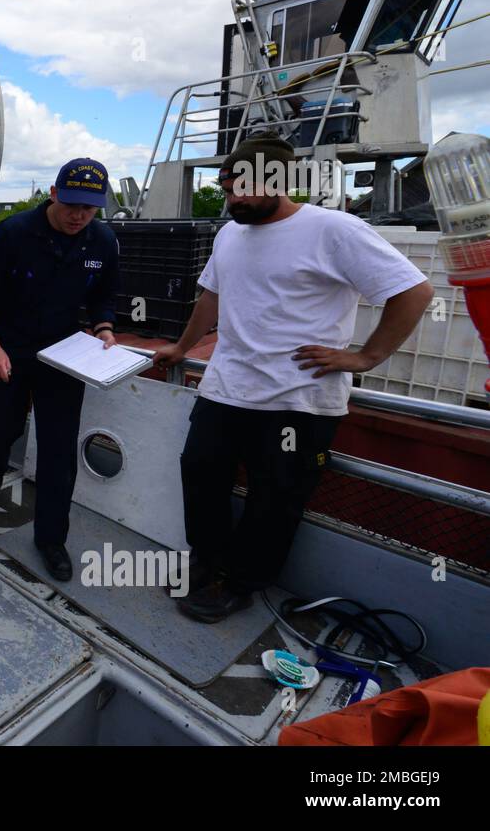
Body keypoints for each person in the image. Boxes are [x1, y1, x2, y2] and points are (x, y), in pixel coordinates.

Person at [154, 136, 433, 623]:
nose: (234, 199)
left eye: (245, 189)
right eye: (227, 188)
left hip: (298, 399)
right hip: (226, 388)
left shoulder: (334, 230)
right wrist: (181, 347)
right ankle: (206, 562)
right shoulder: (229, 233)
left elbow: (413, 290)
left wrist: (366, 357)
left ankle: (240, 583)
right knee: (201, 474)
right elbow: (210, 298)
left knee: (275, 498)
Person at [0, 158, 121, 581]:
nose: (78, 216)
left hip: (63, 357)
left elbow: (106, 295)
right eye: (71, 204)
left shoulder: (103, 241)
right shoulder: (13, 233)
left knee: (58, 451)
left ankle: (51, 539)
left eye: (89, 208)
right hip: (8, 351)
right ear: (53, 194)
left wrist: (104, 327)